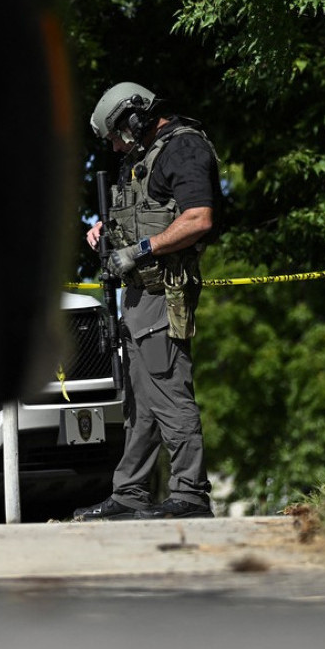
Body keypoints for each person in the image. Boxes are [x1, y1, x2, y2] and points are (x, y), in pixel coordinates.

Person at [73, 81, 219, 520]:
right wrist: (107, 231)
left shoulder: (184, 148)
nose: (116, 147)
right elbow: (144, 216)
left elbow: (199, 218)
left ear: (134, 119)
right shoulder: (143, 156)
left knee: (169, 390)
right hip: (138, 295)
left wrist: (139, 250)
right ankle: (130, 492)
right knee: (139, 399)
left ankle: (190, 494)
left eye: (117, 135)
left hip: (163, 291)